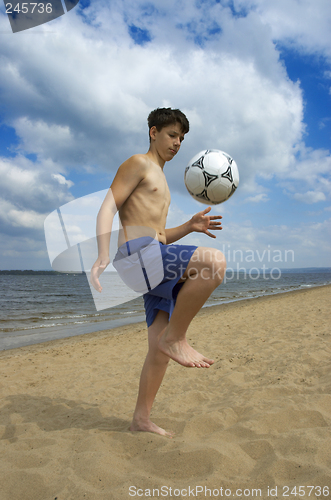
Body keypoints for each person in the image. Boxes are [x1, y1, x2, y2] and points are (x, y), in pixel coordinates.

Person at [90, 108, 226, 436]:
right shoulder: (139, 163)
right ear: (153, 132)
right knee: (214, 263)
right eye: (171, 135)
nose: (177, 143)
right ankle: (176, 337)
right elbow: (108, 206)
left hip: (153, 257)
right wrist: (103, 254)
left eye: (181, 138)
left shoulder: (162, 179)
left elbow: (161, 236)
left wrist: (190, 227)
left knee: (158, 351)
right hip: (137, 256)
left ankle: (141, 419)